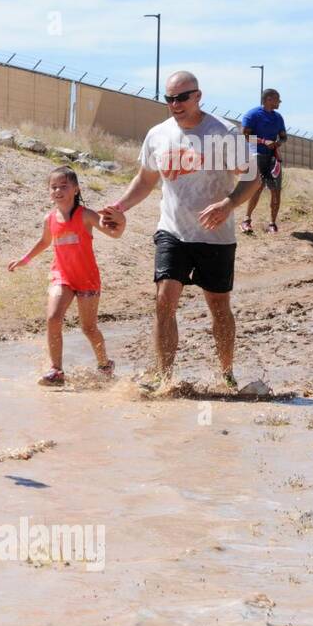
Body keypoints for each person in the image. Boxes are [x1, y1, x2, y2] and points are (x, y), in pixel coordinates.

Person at [100, 71, 260, 389]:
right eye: (169, 98)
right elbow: (146, 180)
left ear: (198, 96)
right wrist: (119, 208)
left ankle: (226, 373)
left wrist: (228, 205)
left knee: (218, 305)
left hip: (215, 235)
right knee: (164, 298)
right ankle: (165, 377)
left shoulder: (223, 132)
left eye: (182, 97)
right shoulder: (158, 134)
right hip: (172, 231)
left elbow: (254, 177)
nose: (175, 104)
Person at [8, 167, 125, 386]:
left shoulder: (86, 215)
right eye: (54, 187)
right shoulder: (49, 218)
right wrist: (24, 260)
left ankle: (104, 364)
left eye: (64, 186)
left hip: (87, 278)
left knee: (88, 328)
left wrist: (122, 222)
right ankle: (56, 370)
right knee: (53, 318)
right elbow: (44, 242)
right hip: (62, 276)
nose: (58, 190)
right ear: (49, 191)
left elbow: (114, 233)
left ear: (76, 189)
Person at [240, 88, 287, 234]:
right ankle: (246, 221)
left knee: (276, 190)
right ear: (268, 99)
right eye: (277, 99)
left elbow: (284, 136)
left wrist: (278, 143)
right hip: (256, 154)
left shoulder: (278, 117)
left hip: (273, 156)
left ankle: (272, 224)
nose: (279, 102)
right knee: (257, 188)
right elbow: (246, 136)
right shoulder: (252, 114)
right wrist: (263, 141)